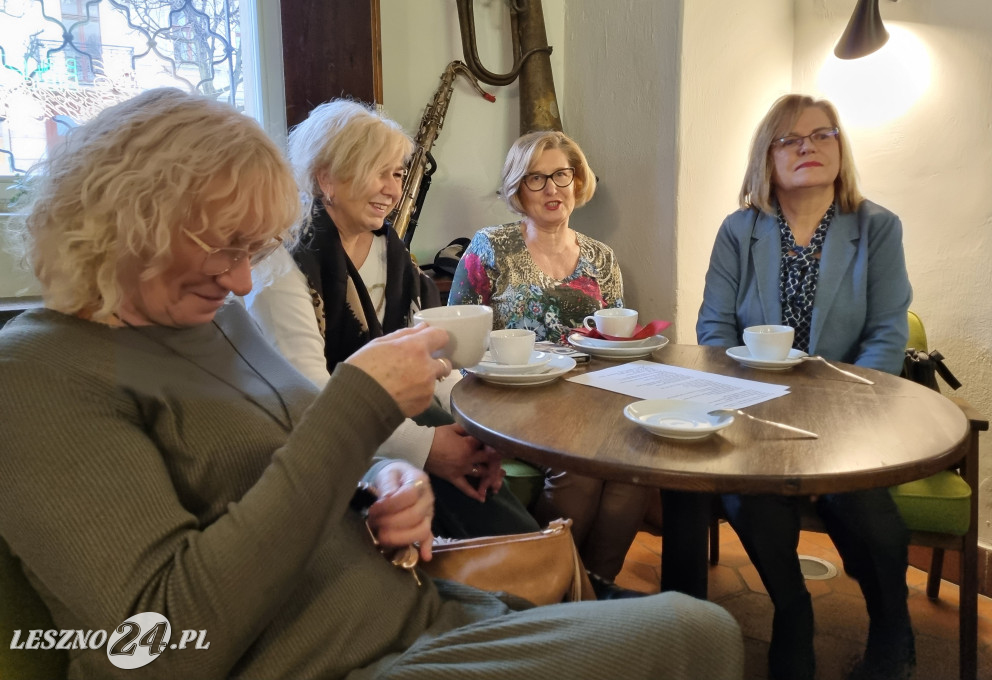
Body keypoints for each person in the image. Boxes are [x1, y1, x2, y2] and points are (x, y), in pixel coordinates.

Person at [0, 88, 745, 680]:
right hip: (329, 660)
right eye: (226, 247)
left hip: (416, 610)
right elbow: (158, 647)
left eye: (253, 249)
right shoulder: (38, 374)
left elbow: (299, 453)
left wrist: (385, 477)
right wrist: (359, 404)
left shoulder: (211, 318)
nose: (237, 279)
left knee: (697, 629)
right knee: (688, 636)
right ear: (124, 223)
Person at [246, 98, 538, 540]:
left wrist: (475, 434)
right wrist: (427, 448)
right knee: (481, 514)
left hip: (393, 426)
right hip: (323, 445)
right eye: (377, 172)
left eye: (398, 174)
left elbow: (435, 361)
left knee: (478, 487)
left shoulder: (393, 253)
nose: (392, 189)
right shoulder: (285, 268)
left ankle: (530, 562)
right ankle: (536, 566)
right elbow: (313, 399)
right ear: (326, 177)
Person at [696, 94, 914, 680]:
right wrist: (745, 397)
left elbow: (886, 336)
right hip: (756, 407)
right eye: (789, 139)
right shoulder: (740, 230)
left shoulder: (876, 227)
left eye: (822, 135)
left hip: (851, 411)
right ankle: (792, 612)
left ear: (840, 148)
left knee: (863, 503)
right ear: (766, 158)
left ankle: (893, 628)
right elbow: (714, 328)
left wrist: (839, 413)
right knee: (749, 494)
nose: (808, 147)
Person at [448, 131, 652, 598]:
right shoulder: (490, 247)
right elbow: (457, 349)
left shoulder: (602, 257)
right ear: (517, 190)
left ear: (577, 181)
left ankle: (594, 589)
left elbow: (612, 342)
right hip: (511, 401)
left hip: (591, 401)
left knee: (634, 467)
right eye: (535, 179)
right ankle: (545, 590)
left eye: (561, 175)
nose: (551, 189)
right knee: (578, 467)